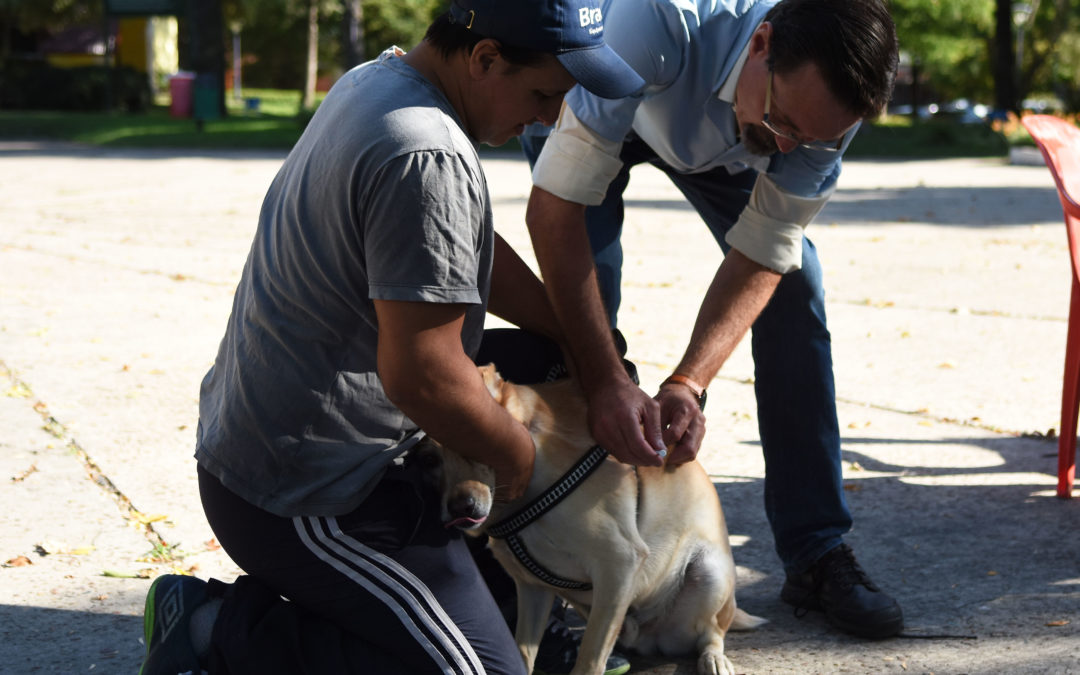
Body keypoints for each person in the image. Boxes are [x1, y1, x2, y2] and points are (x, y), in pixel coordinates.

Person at [137, 1, 645, 673]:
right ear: (485, 58)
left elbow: (453, 246)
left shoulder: (380, 82)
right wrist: (516, 453)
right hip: (305, 496)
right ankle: (215, 624)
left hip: (282, 443)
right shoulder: (425, 151)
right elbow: (424, 376)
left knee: (550, 358)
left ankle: (481, 597)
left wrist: (588, 344)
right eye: (544, 93)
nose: (550, 116)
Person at [521, 0, 904, 639]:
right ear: (761, 44)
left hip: (719, 128)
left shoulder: (828, 103)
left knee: (796, 288)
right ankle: (552, 555)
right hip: (625, 88)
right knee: (585, 313)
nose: (790, 145)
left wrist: (686, 383)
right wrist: (607, 376)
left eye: (811, 138)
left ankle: (815, 548)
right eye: (785, 121)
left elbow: (768, 245)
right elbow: (554, 214)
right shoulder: (654, 21)